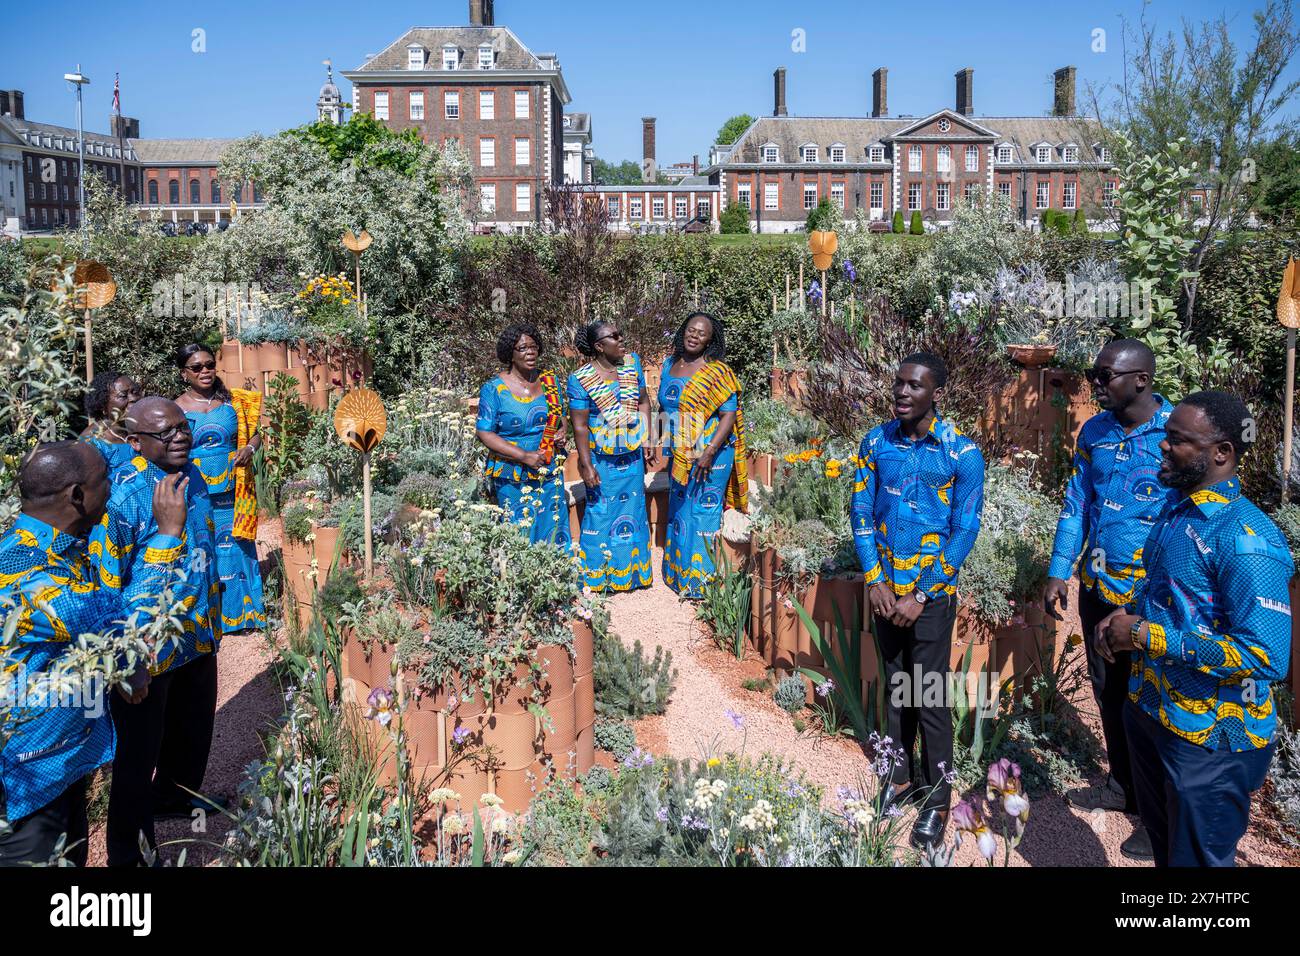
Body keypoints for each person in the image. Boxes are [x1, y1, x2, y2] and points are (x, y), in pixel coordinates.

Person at [1096, 390, 1293, 867]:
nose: (1162, 446)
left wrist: (1145, 636)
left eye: (1177, 440)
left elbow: (1265, 656)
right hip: (1151, 711)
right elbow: (1169, 593)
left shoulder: (1246, 539)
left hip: (1210, 742)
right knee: (1167, 855)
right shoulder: (1177, 508)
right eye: (1165, 436)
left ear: (1221, 452)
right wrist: (1124, 614)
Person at [850, 352, 985, 850]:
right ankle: (900, 780)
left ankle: (938, 799)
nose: (902, 393)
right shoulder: (875, 441)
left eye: (914, 386)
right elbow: (861, 509)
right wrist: (874, 579)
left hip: (930, 595)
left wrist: (924, 592)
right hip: (885, 591)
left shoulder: (961, 454)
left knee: (928, 695)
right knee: (894, 685)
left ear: (936, 394)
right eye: (898, 384)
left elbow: (964, 528)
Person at [0, 442, 157, 866]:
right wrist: (165, 539)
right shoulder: (23, 568)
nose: (113, 489)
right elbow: (116, 622)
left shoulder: (63, 549)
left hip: (60, 762)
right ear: (76, 496)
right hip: (27, 778)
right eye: (105, 481)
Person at [1042, 339, 1169, 861]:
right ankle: (1124, 787)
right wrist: (1058, 571)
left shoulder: (1176, 436)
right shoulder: (1094, 432)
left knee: (1154, 704)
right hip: (1099, 591)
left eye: (1104, 376)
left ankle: (1158, 815)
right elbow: (1077, 504)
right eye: (1094, 375)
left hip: (1154, 601)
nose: (1095, 384)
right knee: (1109, 693)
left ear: (1141, 379)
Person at [93, 396, 222, 866]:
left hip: (195, 633)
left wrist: (213, 610)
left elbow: (203, 545)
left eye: (183, 427)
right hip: (147, 649)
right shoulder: (123, 498)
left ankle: (174, 796)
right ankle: (129, 855)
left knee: (192, 728)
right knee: (136, 756)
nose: (180, 437)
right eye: (165, 432)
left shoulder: (195, 476)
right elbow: (108, 586)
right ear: (134, 442)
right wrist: (127, 659)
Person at [174, 344, 265, 634]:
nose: (205, 371)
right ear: (184, 373)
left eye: (209, 365)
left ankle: (245, 616)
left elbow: (256, 434)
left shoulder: (233, 403)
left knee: (237, 545)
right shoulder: (175, 408)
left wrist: (250, 448)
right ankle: (206, 620)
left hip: (234, 489)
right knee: (202, 550)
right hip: (196, 492)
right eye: (196, 367)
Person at [658, 312, 748, 598]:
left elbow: (729, 414)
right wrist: (656, 440)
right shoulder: (669, 365)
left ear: (711, 340)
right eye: (691, 330)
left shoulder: (717, 372)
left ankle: (701, 584)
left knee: (703, 511)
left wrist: (709, 451)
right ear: (683, 331)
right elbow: (663, 407)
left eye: (702, 333)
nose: (694, 336)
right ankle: (677, 574)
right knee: (680, 509)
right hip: (681, 451)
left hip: (712, 453)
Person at [567, 320, 653, 591]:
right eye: (613, 337)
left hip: (631, 455)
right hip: (601, 459)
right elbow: (579, 425)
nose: (621, 339)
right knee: (601, 513)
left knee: (634, 511)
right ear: (598, 346)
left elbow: (644, 401)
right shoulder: (580, 379)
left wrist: (648, 436)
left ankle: (633, 575)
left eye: (620, 334)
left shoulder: (632, 364)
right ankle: (600, 577)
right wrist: (585, 464)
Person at [475, 323, 571, 548]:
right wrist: (524, 456)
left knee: (554, 527)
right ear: (510, 353)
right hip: (512, 472)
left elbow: (560, 415)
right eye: (523, 348)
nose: (530, 352)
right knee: (519, 531)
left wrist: (561, 431)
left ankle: (558, 579)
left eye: (534, 347)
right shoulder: (494, 389)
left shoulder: (550, 381)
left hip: (549, 469)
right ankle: (521, 582)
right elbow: (484, 432)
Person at [79, 370, 142, 483]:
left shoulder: (144, 426)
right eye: (123, 396)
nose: (133, 398)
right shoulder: (91, 443)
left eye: (135, 392)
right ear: (103, 406)